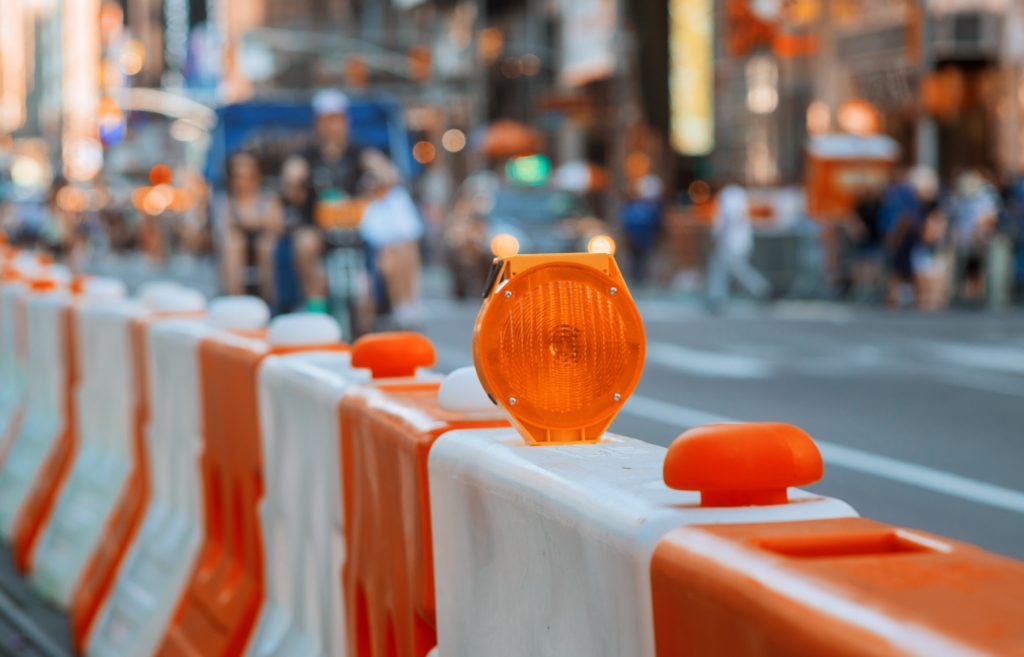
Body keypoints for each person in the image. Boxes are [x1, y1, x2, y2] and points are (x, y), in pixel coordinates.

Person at [294, 89, 381, 312]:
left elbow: (384, 171)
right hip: (319, 229)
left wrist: (378, 178)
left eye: (337, 120)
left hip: (355, 229)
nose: (333, 126)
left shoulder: (358, 151)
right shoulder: (307, 154)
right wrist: (295, 179)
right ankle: (315, 305)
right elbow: (292, 175)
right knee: (305, 244)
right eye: (327, 120)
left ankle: (382, 306)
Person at [215, 151, 283, 299]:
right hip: (236, 247)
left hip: (263, 246)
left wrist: (250, 222)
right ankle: (235, 300)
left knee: (265, 245)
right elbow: (222, 227)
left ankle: (267, 301)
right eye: (238, 175)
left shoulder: (269, 198)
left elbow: (277, 226)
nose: (243, 180)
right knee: (232, 242)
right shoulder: (225, 201)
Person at [706, 184, 771, 308]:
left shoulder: (729, 194)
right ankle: (717, 298)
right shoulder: (737, 194)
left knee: (737, 270)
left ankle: (761, 289)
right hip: (735, 241)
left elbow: (728, 218)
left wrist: (718, 237)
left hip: (730, 242)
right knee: (721, 269)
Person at [621, 174, 663, 284]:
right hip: (639, 238)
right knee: (637, 259)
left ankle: (640, 278)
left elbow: (657, 224)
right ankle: (638, 278)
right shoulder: (639, 206)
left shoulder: (649, 207)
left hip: (643, 237)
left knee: (641, 259)